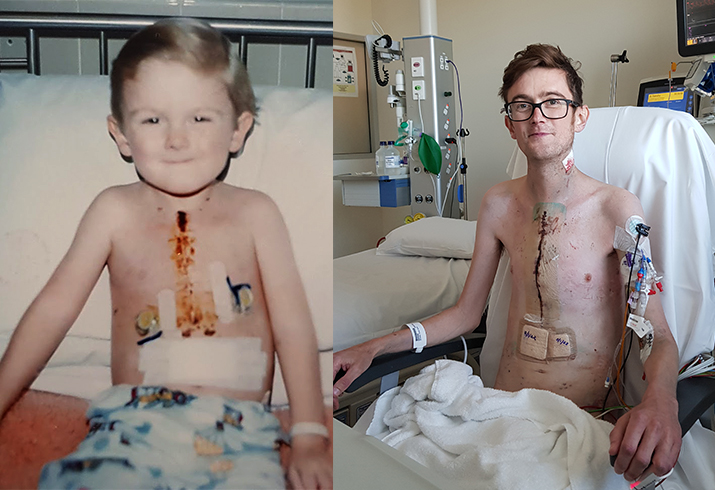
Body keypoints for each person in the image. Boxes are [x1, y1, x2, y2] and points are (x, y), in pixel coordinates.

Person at [0, 18, 331, 490]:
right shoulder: (114, 211)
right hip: (132, 424)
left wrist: (309, 436)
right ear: (121, 134)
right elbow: (53, 310)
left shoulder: (256, 213)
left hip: (239, 432)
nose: (176, 139)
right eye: (153, 119)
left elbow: (293, 325)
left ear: (238, 131)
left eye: (199, 118)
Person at [333, 44, 681, 483]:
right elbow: (465, 314)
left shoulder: (617, 210)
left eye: (554, 102)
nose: (538, 115)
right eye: (523, 105)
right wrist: (373, 346)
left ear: (579, 116)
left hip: (575, 421)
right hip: (492, 412)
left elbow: (659, 334)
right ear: (510, 124)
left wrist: (661, 401)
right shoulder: (497, 205)